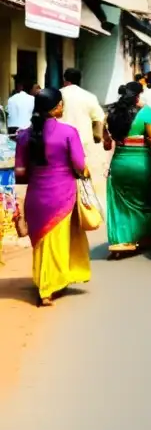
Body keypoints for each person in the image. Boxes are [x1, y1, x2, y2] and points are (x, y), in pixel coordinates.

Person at [14, 88, 91, 306]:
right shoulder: (68, 132)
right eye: (61, 104)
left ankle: (43, 282)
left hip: (36, 197)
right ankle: (48, 286)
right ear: (56, 108)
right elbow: (79, 164)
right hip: (62, 195)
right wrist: (85, 173)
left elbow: (20, 172)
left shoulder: (23, 136)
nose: (63, 108)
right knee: (57, 242)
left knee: (41, 243)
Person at [103, 82, 151, 257]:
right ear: (137, 96)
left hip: (119, 161)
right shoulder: (146, 111)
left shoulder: (110, 112)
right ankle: (144, 237)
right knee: (143, 200)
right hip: (141, 162)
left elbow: (106, 144)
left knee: (120, 203)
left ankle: (121, 241)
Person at [60, 67, 106, 182]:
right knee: (82, 178)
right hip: (83, 144)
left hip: (60, 143)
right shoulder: (89, 96)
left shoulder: (58, 95)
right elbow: (98, 119)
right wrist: (97, 137)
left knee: (63, 175)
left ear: (65, 80)